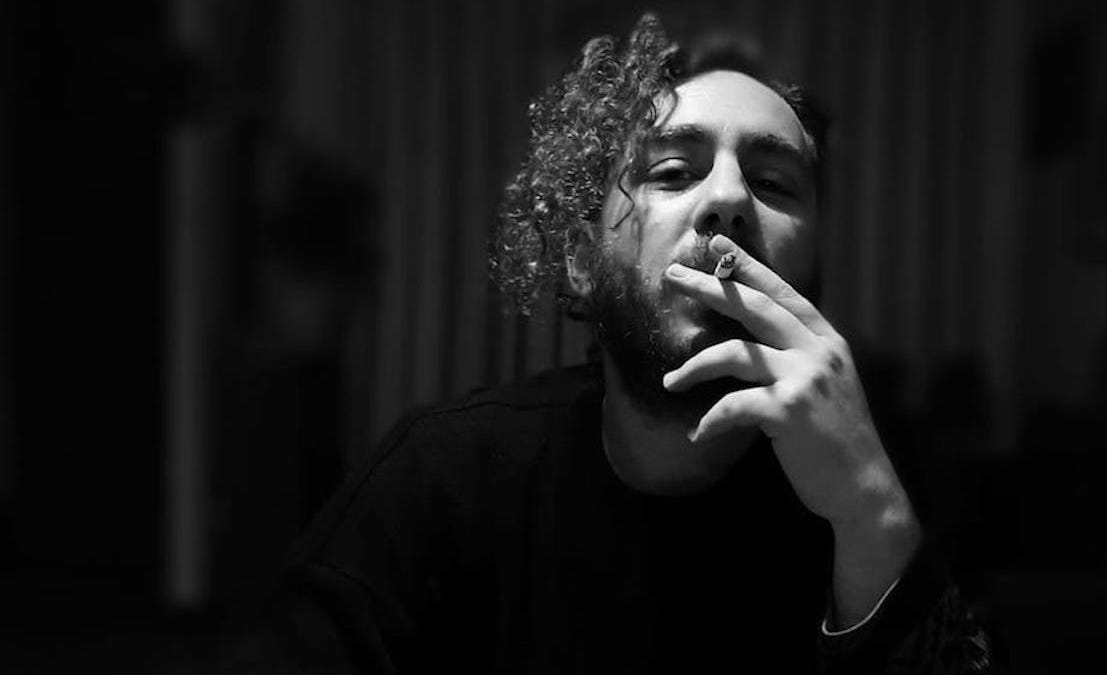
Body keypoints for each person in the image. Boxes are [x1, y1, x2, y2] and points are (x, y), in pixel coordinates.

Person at [223, 14, 993, 674]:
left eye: (775, 184)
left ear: (815, 269)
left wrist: (869, 512)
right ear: (585, 262)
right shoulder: (443, 479)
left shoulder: (883, 488)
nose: (729, 198)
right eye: (673, 170)